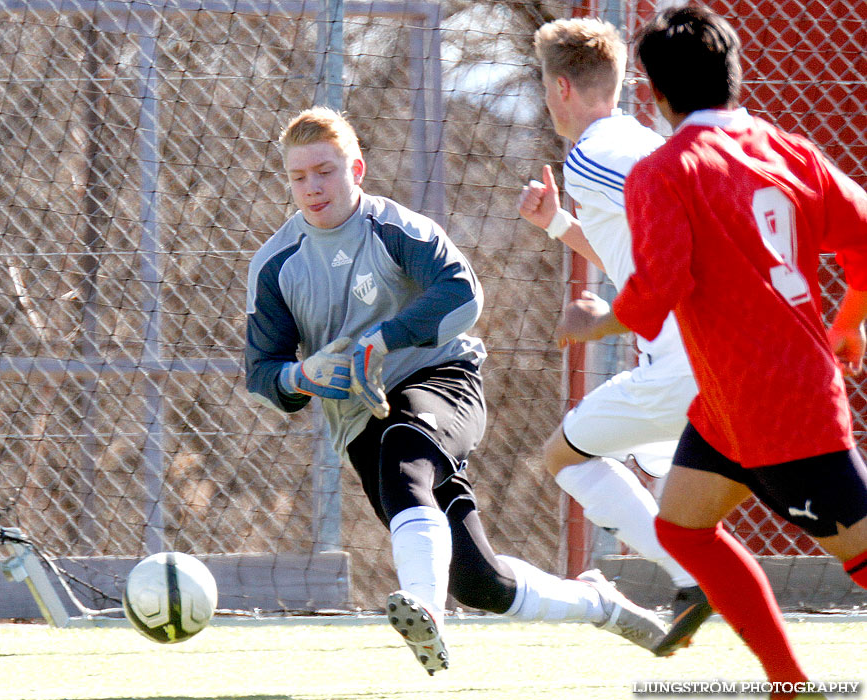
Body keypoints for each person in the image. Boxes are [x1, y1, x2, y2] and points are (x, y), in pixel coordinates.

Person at [244, 106, 669, 675]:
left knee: (405, 439)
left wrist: (384, 340)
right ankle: (599, 602)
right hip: (359, 422)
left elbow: (463, 296)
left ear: (357, 169)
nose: (312, 187)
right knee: (481, 581)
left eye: (325, 171)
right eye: (299, 177)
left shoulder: (397, 229)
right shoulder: (275, 265)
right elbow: (262, 371)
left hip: (442, 381)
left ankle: (425, 609)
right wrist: (303, 376)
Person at [556, 6, 867, 699]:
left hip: (781, 412)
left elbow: (658, 286)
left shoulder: (667, 170)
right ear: (734, 74)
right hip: (727, 406)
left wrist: (597, 319)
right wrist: (849, 320)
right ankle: (789, 686)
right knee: (683, 530)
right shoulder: (790, 151)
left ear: (656, 94)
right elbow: (863, 235)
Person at [517, 16, 711, 655]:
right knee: (674, 483)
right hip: (701, 357)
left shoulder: (593, 154)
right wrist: (558, 225)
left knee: (563, 457)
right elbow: (635, 239)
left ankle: (695, 579)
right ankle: (700, 579)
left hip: (683, 363)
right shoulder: (632, 139)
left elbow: (676, 209)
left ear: (563, 89)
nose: (547, 100)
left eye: (546, 87)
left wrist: (603, 319)